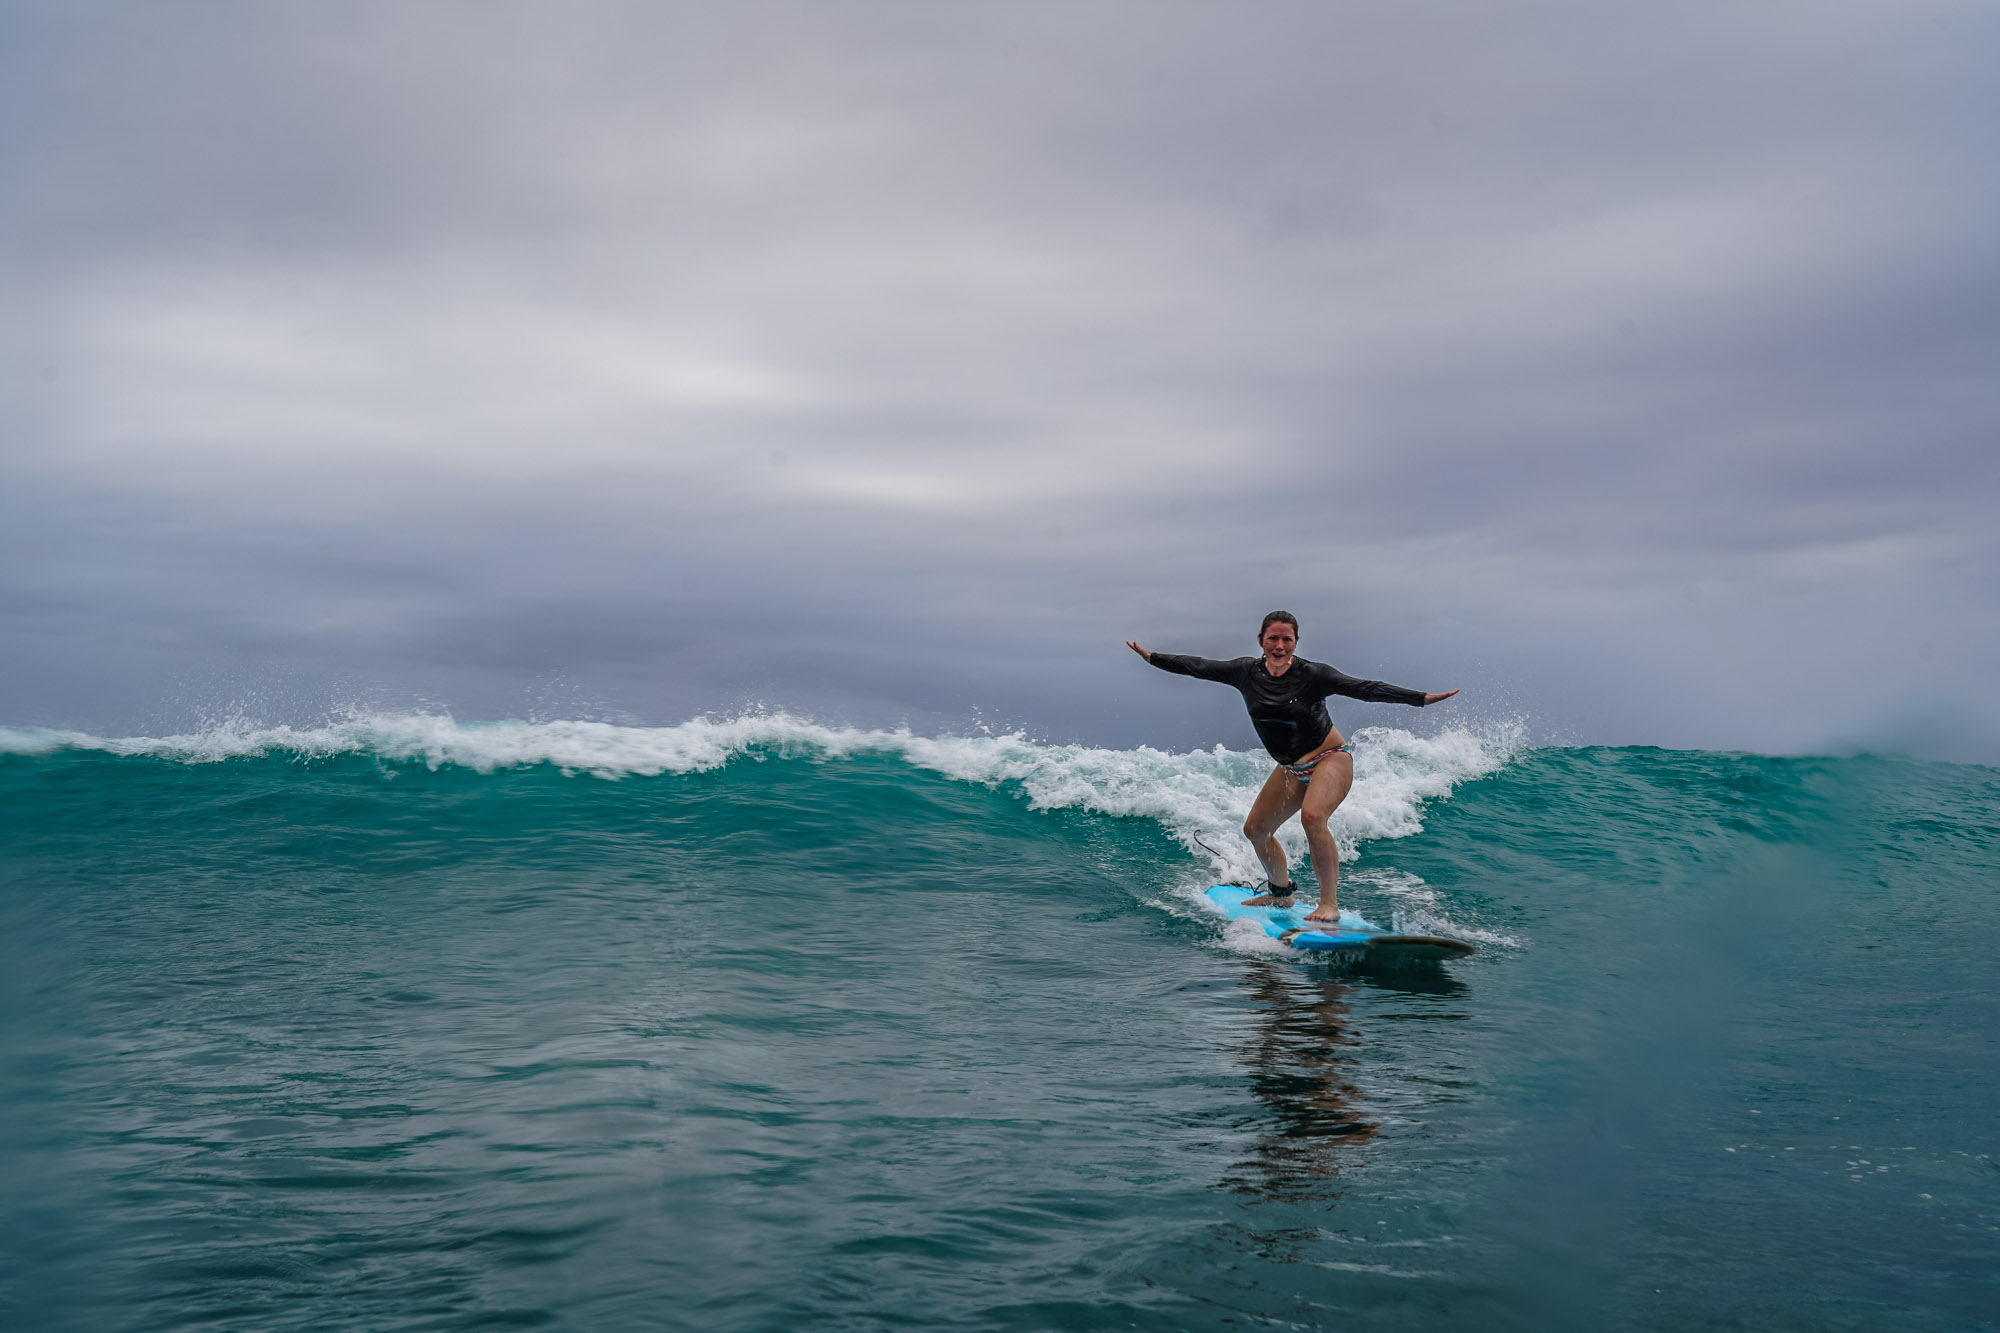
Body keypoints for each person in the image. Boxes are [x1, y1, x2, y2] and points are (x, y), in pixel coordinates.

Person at [1126, 611, 1458, 924]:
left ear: (1296, 642)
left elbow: (1365, 689)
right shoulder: (1245, 672)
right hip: (1291, 769)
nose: (1280, 645)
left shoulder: (1314, 675)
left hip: (1330, 758)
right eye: (1273, 638)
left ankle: (1328, 904)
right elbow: (1198, 666)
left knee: (1312, 817)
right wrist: (1152, 657)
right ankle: (1281, 894)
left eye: (1287, 639)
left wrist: (1420, 698)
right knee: (1255, 829)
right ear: (1261, 640)